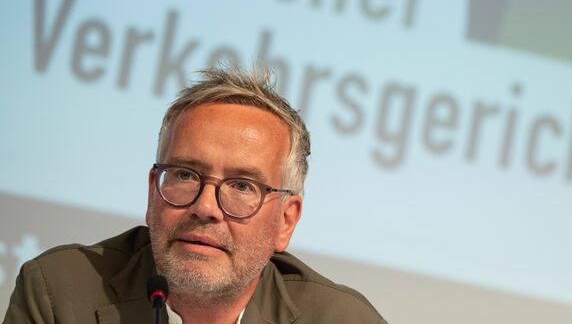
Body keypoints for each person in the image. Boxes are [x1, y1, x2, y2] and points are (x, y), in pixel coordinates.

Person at [4, 67, 387, 324]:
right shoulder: (60, 293)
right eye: (185, 175)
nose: (205, 207)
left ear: (285, 221)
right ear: (153, 194)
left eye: (242, 186)